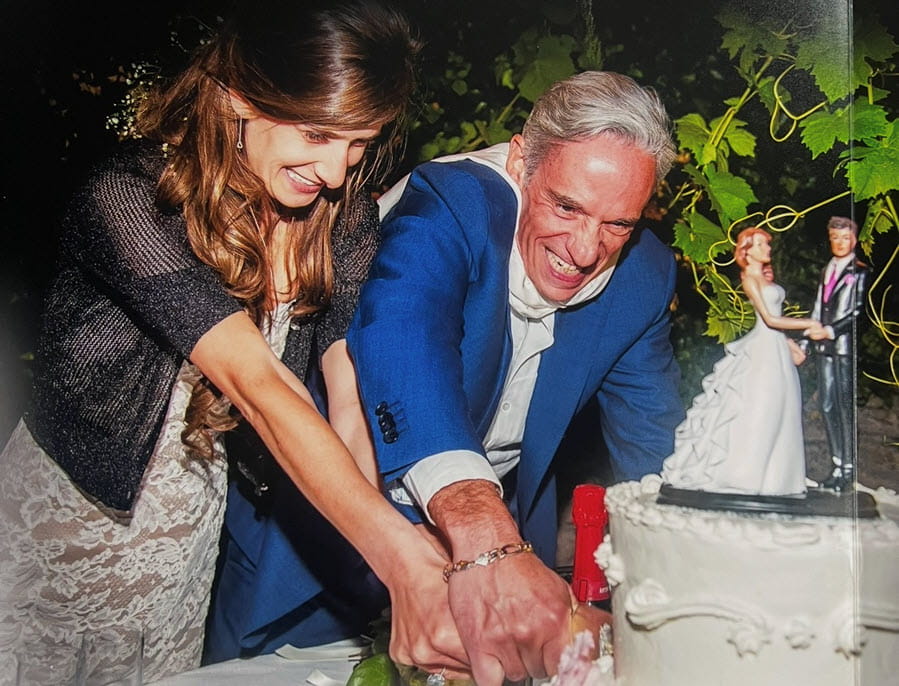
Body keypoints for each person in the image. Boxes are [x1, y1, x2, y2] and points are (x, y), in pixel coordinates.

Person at [0, 2, 466, 681]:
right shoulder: (129, 198)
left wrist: (391, 543)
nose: (336, 172)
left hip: (186, 539)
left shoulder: (342, 218)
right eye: (317, 133)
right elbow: (259, 384)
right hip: (64, 540)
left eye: (359, 143)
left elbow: (347, 389)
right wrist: (400, 558)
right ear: (240, 95)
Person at [346, 71, 686, 686]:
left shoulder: (643, 278)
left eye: (618, 224)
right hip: (335, 542)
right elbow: (401, 339)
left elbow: (656, 458)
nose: (585, 250)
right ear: (520, 159)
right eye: (567, 206)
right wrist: (483, 537)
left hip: (505, 554)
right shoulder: (453, 202)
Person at [662, 227, 824, 495]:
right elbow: (769, 320)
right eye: (760, 244)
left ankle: (778, 480)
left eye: (767, 244)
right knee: (760, 407)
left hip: (775, 346)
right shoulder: (750, 279)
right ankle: (744, 476)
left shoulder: (765, 278)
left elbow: (775, 326)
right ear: (746, 251)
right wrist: (809, 323)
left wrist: (789, 343)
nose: (767, 249)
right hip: (763, 349)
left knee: (784, 408)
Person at [806, 216, 869, 491]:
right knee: (827, 405)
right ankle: (836, 464)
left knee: (844, 407)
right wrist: (810, 335)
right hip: (824, 348)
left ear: (854, 240)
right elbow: (819, 307)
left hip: (843, 347)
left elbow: (857, 312)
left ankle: (848, 470)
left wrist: (830, 331)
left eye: (845, 238)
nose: (840, 243)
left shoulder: (860, 272)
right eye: (835, 238)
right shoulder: (827, 269)